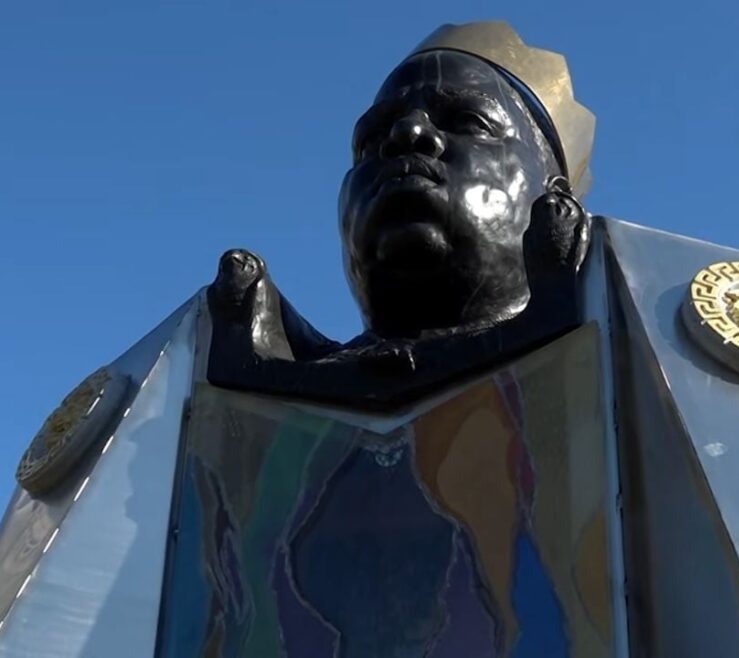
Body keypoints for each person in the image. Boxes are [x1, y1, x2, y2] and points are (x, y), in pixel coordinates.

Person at [207, 24, 594, 408]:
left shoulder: (629, 356)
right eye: (371, 138)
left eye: (466, 121)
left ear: (555, 195)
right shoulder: (204, 391)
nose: (407, 132)